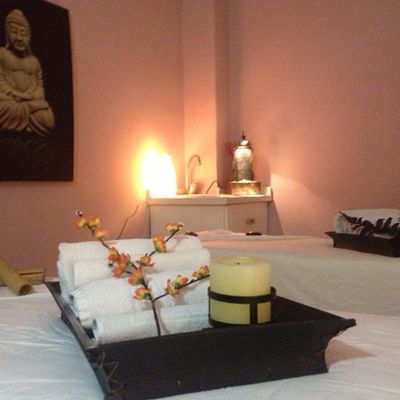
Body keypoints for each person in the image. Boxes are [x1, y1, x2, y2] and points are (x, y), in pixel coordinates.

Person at [0, 9, 54, 136]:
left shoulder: (34, 61)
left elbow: (40, 89)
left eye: (23, 33)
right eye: (14, 32)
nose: (19, 38)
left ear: (29, 36)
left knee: (48, 120)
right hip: (9, 101)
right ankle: (29, 111)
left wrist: (31, 96)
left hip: (26, 102)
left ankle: (26, 114)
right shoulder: (1, 54)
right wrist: (18, 95)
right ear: (7, 35)